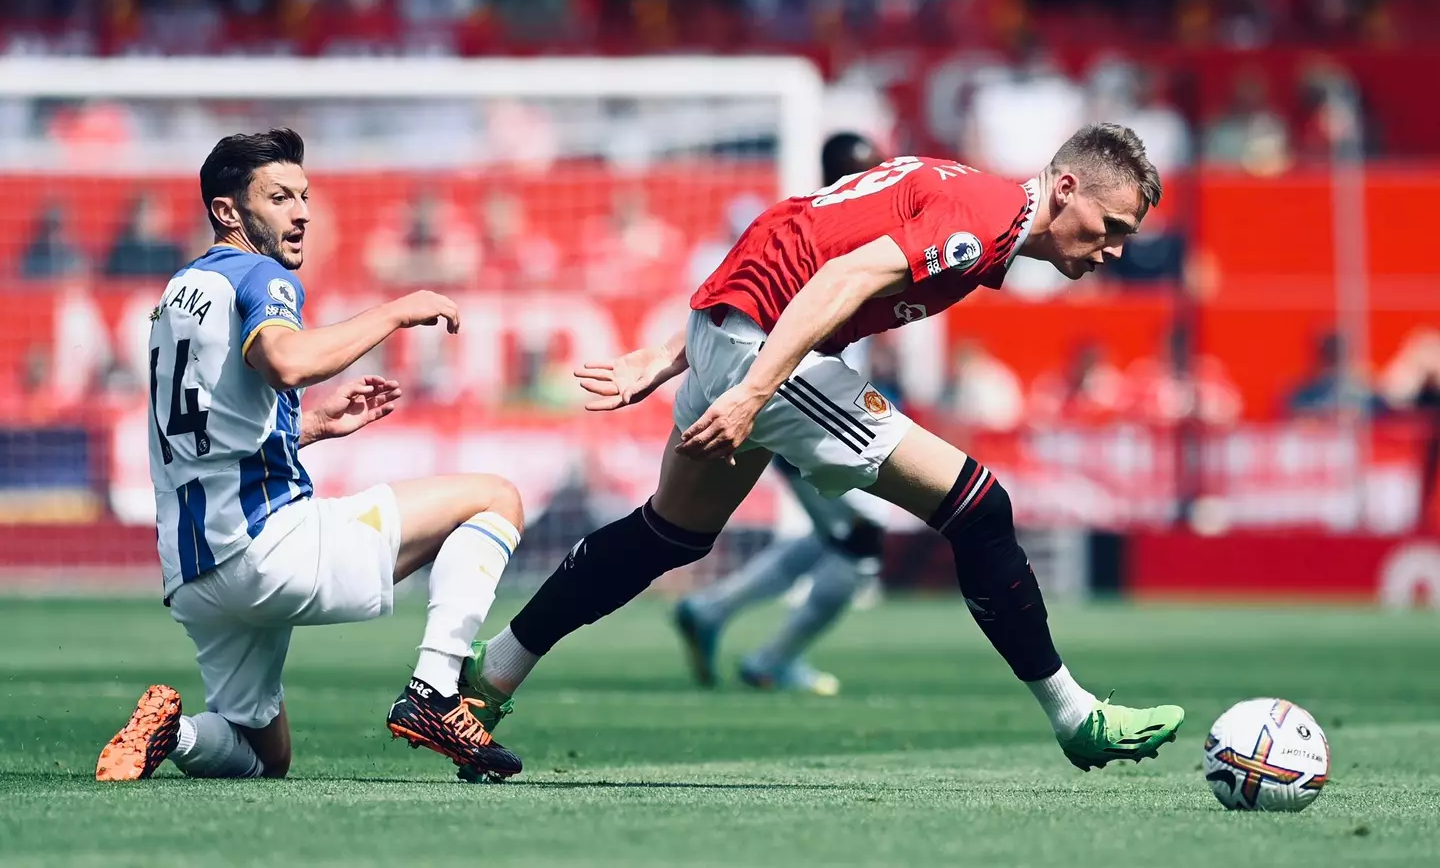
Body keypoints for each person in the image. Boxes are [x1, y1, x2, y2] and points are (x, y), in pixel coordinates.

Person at [460, 123, 1183, 776]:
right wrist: (747, 389)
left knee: (667, 533)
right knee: (979, 505)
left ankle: (486, 680)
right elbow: (839, 277)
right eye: (1111, 224)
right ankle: (1074, 713)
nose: (1115, 248)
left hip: (736, 328)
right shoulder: (985, 220)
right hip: (765, 350)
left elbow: (797, 238)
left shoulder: (972, 194)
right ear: (1064, 188)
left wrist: (671, 353)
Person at [95, 129, 525, 784]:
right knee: (497, 497)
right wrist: (397, 310)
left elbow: (205, 435)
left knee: (265, 756)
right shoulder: (259, 274)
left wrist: (318, 424)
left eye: (304, 196)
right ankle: (434, 692)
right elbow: (288, 361)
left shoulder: (174, 296)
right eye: (278, 197)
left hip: (194, 574)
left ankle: (174, 731)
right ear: (228, 211)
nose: (300, 212)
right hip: (269, 547)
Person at [673, 132, 891, 697]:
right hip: (795, 406)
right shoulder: (814, 240)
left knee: (835, 537)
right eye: (866, 171)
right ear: (843, 174)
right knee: (861, 538)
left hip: (815, 404)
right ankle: (772, 657)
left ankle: (712, 611)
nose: (875, 180)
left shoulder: (853, 236)